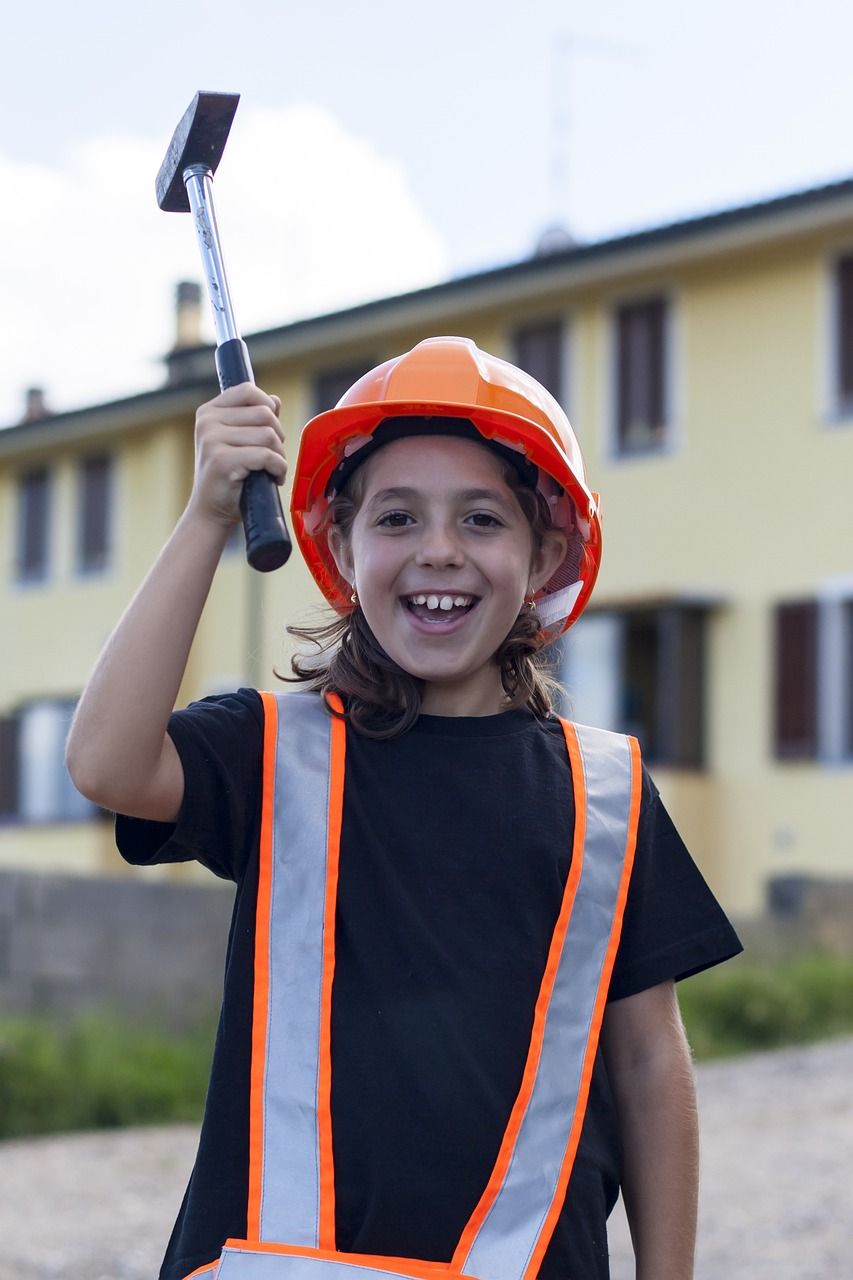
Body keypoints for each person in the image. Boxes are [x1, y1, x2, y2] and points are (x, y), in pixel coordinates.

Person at [67, 336, 742, 1280]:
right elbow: (105, 762)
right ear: (340, 547)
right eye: (396, 517)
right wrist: (205, 517)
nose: (438, 552)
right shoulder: (273, 750)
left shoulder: (610, 799)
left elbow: (646, 1066)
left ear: (544, 554)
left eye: (480, 519)